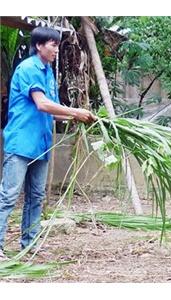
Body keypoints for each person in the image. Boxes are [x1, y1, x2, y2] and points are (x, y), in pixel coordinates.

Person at [0, 26, 96, 261]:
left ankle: (29, 243)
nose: (56, 49)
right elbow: (43, 104)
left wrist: (81, 117)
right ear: (39, 46)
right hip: (22, 142)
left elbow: (54, 111)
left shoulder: (47, 72)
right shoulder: (29, 68)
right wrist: (75, 111)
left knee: (36, 196)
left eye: (57, 44)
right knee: (9, 196)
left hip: (40, 145)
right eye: (53, 44)